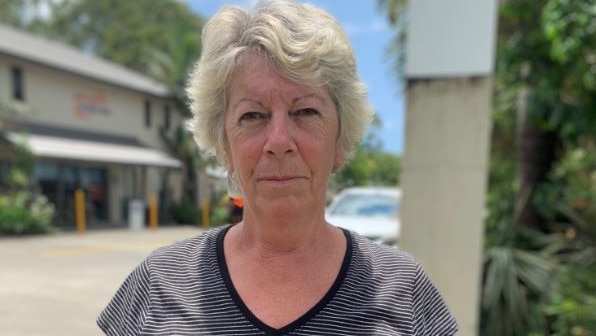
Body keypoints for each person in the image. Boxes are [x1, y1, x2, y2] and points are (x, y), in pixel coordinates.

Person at [97, 0, 459, 335]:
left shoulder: (404, 290)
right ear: (224, 144)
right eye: (252, 115)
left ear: (340, 138)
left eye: (305, 112)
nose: (279, 140)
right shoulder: (159, 282)